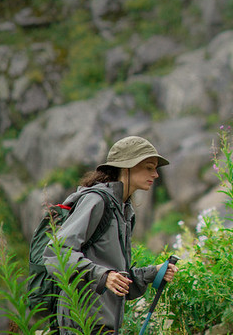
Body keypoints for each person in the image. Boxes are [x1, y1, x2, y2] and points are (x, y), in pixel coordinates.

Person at [44, 136, 180, 334]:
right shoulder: (97, 201)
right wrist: (103, 275)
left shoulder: (124, 211)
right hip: (82, 323)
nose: (156, 174)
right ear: (127, 167)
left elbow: (118, 282)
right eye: (149, 167)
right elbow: (56, 253)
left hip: (105, 325)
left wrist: (153, 272)